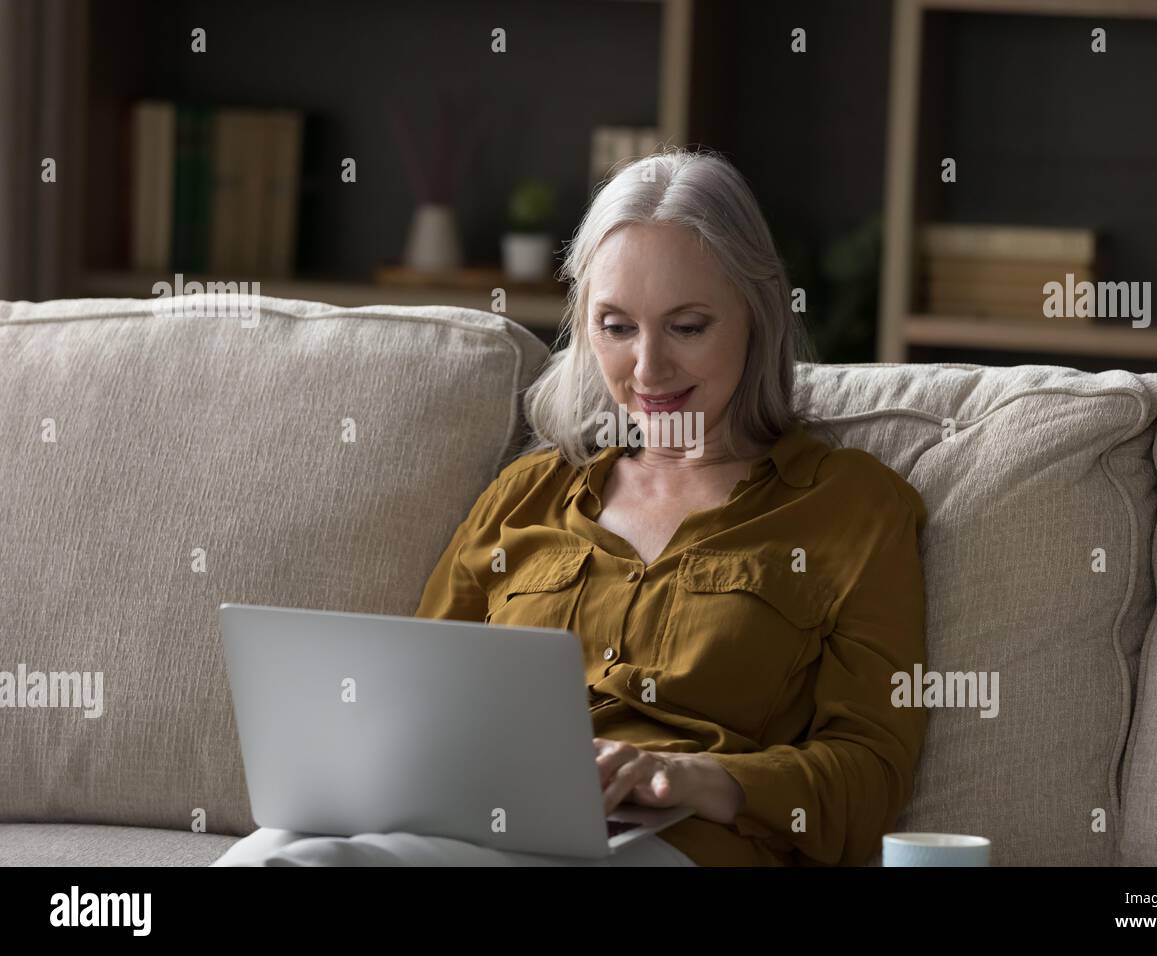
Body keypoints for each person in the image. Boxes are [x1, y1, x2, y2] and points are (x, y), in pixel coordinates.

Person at [213, 148, 928, 867]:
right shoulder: (528, 495)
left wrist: (707, 780)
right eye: (616, 327)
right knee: (270, 856)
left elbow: (871, 776)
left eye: (687, 327)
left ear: (758, 314)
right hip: (476, 821)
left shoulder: (853, 508)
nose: (648, 370)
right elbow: (413, 704)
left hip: (671, 844)